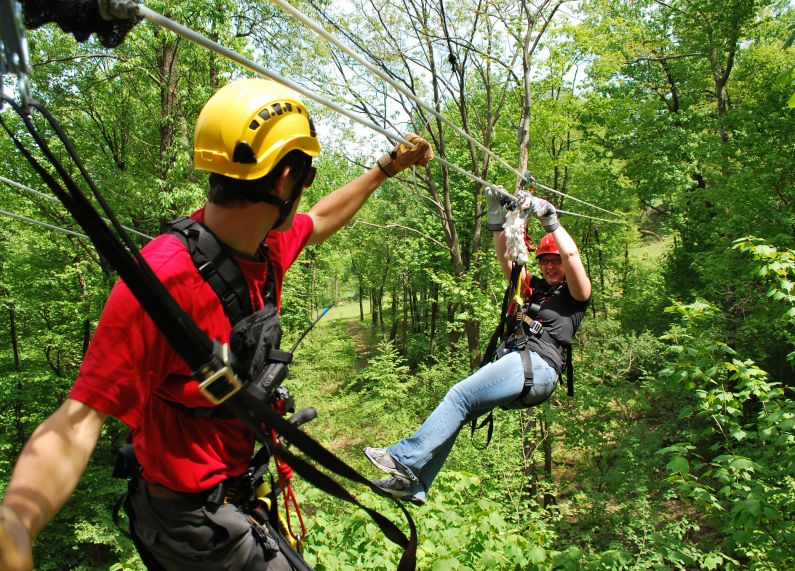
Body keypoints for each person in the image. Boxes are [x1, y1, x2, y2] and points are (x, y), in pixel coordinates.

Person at [0, 77, 433, 571]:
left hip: (237, 494)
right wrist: (17, 522)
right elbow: (78, 421)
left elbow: (319, 220)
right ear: (285, 179)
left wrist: (387, 168)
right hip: (190, 521)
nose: (306, 189)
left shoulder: (264, 246)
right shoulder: (162, 282)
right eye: (307, 176)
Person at [364, 190, 591, 505]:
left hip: (538, 366)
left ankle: (403, 457)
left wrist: (550, 222)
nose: (551, 267)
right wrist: (497, 219)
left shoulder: (576, 296)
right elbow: (505, 258)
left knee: (460, 395)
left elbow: (573, 256)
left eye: (556, 261)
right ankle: (413, 484)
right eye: (545, 261)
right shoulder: (533, 289)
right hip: (520, 364)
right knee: (462, 410)